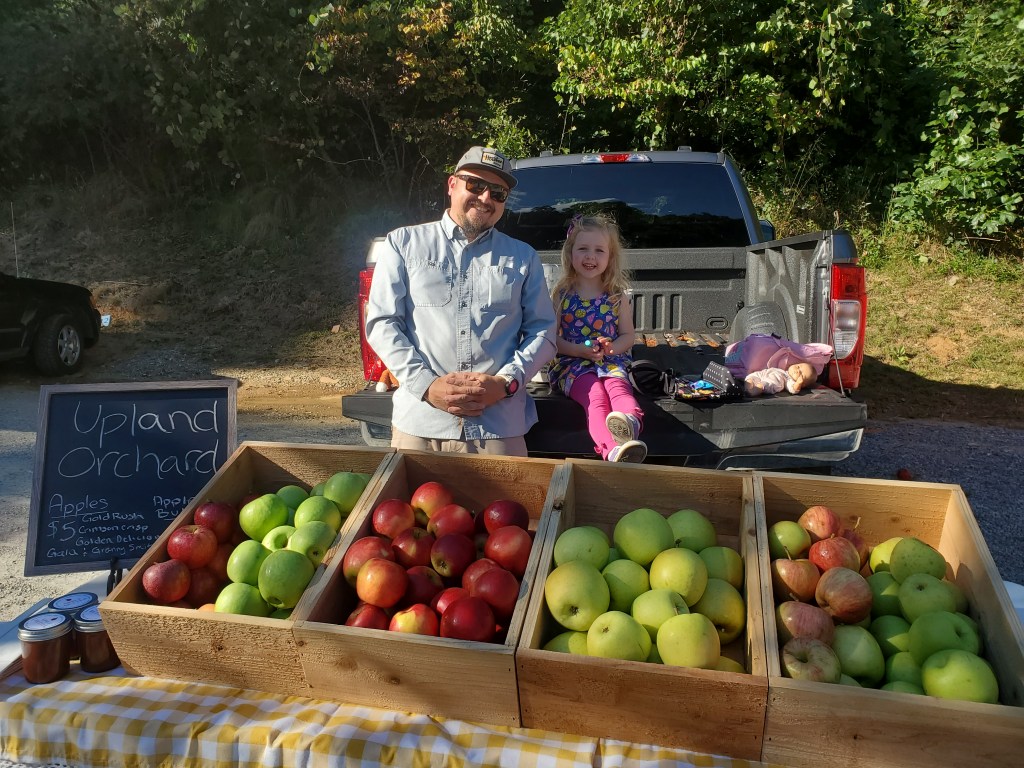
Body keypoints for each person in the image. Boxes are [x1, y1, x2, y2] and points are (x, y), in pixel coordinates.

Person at [363, 146, 557, 456]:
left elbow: (544, 332)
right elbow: (382, 323)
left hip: (499, 427)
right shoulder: (402, 244)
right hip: (420, 423)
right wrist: (427, 386)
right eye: (476, 185)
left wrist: (506, 383)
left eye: (498, 193)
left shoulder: (524, 257)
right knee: (405, 506)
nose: (485, 198)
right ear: (452, 185)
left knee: (508, 506)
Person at [547, 213, 647, 462]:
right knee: (595, 396)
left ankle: (631, 423)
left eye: (599, 250)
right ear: (570, 253)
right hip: (572, 365)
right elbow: (552, 340)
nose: (590, 256)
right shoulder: (562, 295)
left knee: (619, 388)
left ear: (610, 257)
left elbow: (628, 336)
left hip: (610, 361)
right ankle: (611, 448)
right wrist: (578, 351)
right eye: (583, 248)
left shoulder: (616, 295)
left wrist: (612, 347)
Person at [743, 362, 817, 396]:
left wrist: (798, 384)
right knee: (753, 376)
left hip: (772, 381)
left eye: (801, 374)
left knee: (765, 384)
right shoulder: (784, 370)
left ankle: (752, 391)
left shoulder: (789, 380)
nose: (797, 370)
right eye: (798, 366)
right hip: (764, 374)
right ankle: (748, 385)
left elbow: (793, 389)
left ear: (803, 384)